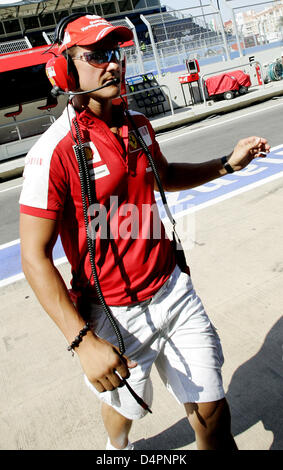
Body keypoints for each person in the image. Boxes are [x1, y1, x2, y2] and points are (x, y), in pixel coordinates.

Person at [19, 14, 270, 451]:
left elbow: (164, 174)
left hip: (173, 289)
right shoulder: (52, 151)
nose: (113, 64)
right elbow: (33, 257)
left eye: (115, 54)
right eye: (97, 55)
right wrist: (81, 342)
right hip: (115, 314)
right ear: (66, 69)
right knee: (126, 409)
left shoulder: (137, 123)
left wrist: (227, 164)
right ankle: (117, 448)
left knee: (213, 413)